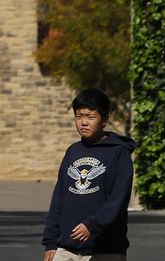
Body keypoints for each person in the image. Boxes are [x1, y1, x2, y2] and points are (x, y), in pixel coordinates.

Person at [42, 89, 134, 261]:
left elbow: (117, 200)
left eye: (90, 117)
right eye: (79, 116)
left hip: (105, 249)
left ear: (104, 120)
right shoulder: (72, 151)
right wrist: (50, 242)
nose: (83, 122)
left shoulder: (118, 154)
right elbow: (59, 199)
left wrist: (93, 225)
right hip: (66, 249)